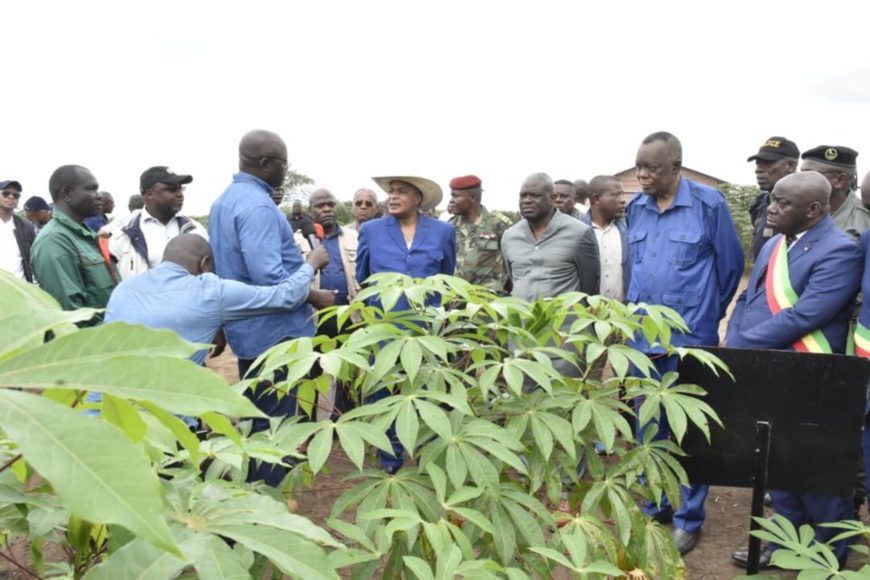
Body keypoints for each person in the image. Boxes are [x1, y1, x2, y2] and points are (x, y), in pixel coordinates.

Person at [727, 171, 862, 571]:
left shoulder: (840, 250)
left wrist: (741, 345)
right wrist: (735, 336)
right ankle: (785, 537)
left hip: (810, 375)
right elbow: (747, 301)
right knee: (775, 460)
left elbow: (806, 316)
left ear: (813, 210)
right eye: (772, 199)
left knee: (816, 468)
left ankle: (827, 552)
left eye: (782, 202)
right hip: (768, 369)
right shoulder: (772, 245)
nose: (771, 207)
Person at [626, 131, 744, 556]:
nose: (641, 175)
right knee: (648, 425)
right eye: (638, 166)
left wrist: (704, 317)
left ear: (676, 167)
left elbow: (729, 268)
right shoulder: (635, 208)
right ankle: (656, 501)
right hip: (642, 337)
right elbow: (635, 266)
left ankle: (688, 517)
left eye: (651, 168)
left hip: (690, 339)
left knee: (689, 430)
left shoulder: (708, 204)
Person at [209, 129, 335, 486]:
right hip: (277, 336)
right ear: (266, 164)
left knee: (258, 421)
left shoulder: (223, 202)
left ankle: (253, 496)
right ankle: (269, 503)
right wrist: (311, 266)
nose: (286, 169)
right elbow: (271, 281)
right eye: (283, 163)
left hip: (249, 333)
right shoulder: (259, 207)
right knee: (278, 427)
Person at [356, 174, 456, 472]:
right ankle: (390, 457)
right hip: (385, 326)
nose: (393, 197)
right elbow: (363, 276)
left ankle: (426, 452)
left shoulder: (442, 231)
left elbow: (446, 277)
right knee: (385, 391)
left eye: (401, 192)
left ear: (418, 199)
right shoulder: (372, 230)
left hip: (426, 328)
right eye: (390, 192)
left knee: (426, 390)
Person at [105, 234, 327, 366]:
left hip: (106, 407)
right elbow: (285, 297)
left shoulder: (124, 289)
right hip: (165, 419)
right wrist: (311, 264)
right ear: (204, 264)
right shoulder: (209, 291)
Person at [296, 188, 361, 420]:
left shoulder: (354, 237)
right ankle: (308, 422)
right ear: (310, 211)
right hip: (313, 317)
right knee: (313, 371)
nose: (326, 210)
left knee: (347, 370)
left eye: (330, 205)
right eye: (320, 206)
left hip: (349, 315)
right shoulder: (298, 240)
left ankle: (345, 419)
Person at [31, 166, 119, 324]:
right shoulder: (54, 241)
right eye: (91, 189)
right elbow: (71, 315)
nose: (98, 196)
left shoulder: (84, 235)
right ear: (67, 194)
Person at [109, 166, 207, 280]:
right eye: (171, 189)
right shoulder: (123, 237)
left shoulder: (196, 230)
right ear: (149, 194)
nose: (180, 194)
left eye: (181, 189)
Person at [446, 174, 512, 294]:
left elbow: (514, 261)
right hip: (458, 298)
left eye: (456, 196)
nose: (451, 200)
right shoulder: (450, 227)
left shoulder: (498, 224)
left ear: (472, 197)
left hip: (490, 299)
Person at [800, 145, 870, 241]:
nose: (799, 180)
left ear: (839, 180)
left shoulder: (863, 219)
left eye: (809, 175)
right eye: (800, 174)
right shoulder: (795, 210)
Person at [746, 137, 800, 260]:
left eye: (768, 163)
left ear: (791, 166)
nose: (758, 169)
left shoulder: (808, 206)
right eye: (758, 163)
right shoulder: (759, 204)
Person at [581, 175, 630, 301]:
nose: (623, 200)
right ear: (596, 199)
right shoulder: (578, 232)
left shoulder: (628, 232)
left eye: (622, 194)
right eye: (616, 195)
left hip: (622, 314)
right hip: (588, 313)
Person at [0, 180, 36, 283]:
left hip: (21, 290)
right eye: (6, 193)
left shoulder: (25, 227)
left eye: (16, 195)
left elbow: (32, 259)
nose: (11, 197)